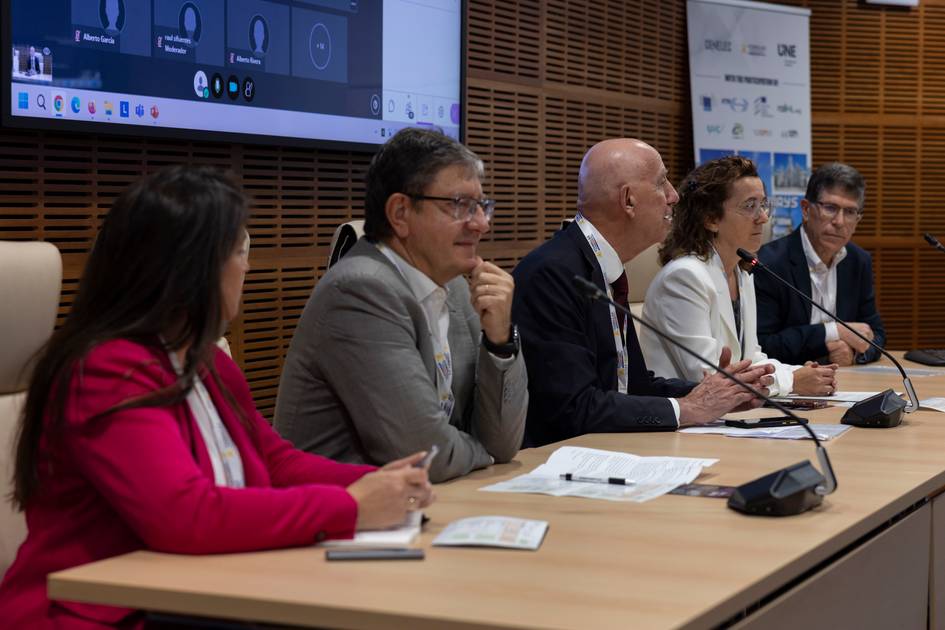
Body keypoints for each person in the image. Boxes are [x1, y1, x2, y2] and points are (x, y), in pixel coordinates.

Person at [0, 166, 433, 629]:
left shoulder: (204, 358)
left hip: (201, 594)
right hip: (100, 614)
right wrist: (351, 507)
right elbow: (186, 515)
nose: (245, 265)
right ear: (192, 267)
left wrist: (379, 482)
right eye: (237, 251)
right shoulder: (108, 370)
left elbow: (277, 463)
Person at [274, 128, 527, 482]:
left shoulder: (454, 287)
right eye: (460, 206)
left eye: (482, 206)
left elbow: (504, 444)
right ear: (400, 213)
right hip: (345, 522)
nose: (481, 224)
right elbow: (426, 455)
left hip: (431, 503)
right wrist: (479, 451)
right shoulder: (360, 291)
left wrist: (500, 342)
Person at [511, 139, 773, 448]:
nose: (674, 196)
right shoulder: (554, 274)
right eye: (662, 183)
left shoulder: (602, 266)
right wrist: (687, 409)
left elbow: (633, 386)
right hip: (557, 463)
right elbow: (572, 409)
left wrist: (721, 394)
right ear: (629, 200)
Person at [640, 156, 837, 396]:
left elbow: (751, 358)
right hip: (681, 423)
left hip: (725, 419)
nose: (763, 217)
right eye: (749, 206)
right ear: (711, 219)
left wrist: (807, 373)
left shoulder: (741, 273)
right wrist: (793, 381)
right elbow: (707, 378)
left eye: (763, 204)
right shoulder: (683, 278)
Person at [755, 162, 886, 366]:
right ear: (806, 210)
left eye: (850, 212)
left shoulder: (858, 261)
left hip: (846, 383)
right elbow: (763, 345)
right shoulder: (770, 263)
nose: (840, 221)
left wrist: (854, 354)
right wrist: (833, 332)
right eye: (830, 208)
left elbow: (874, 334)